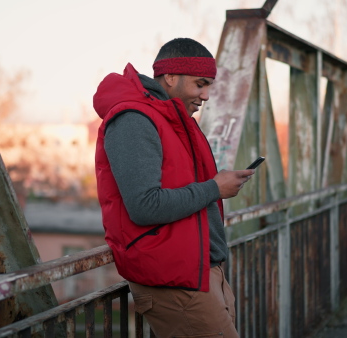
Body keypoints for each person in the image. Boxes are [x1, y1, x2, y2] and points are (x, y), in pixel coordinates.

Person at [93, 37, 254, 337]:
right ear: (170, 76)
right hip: (174, 280)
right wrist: (214, 189)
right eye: (200, 84)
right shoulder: (134, 120)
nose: (205, 95)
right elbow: (144, 205)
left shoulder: (177, 120)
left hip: (198, 273)